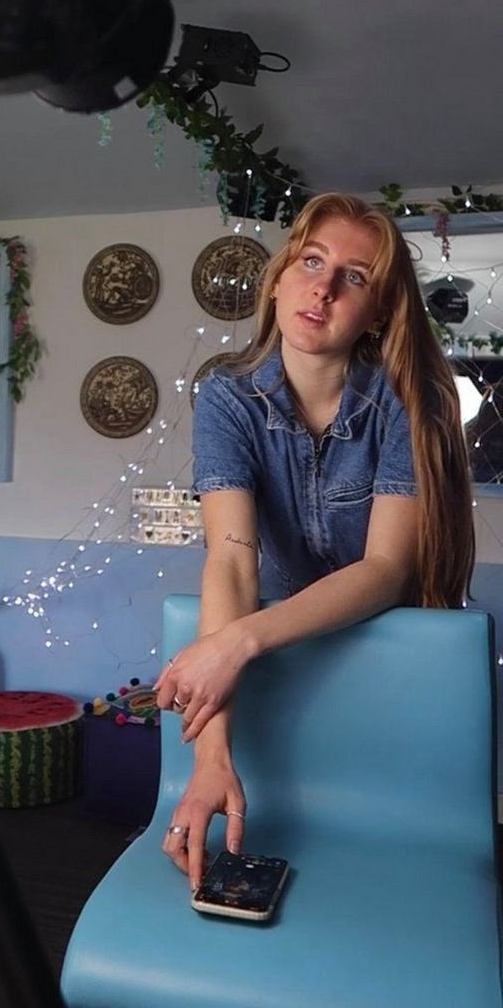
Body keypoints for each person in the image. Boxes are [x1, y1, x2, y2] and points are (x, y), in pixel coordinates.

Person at [155, 192, 475, 889]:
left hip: (402, 650)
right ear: (279, 277)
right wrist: (209, 757)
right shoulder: (226, 399)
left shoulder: (407, 398)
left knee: (394, 861)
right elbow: (232, 560)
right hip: (293, 641)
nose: (323, 287)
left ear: (379, 312)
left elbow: (388, 569)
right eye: (311, 260)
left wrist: (236, 642)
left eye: (354, 277)